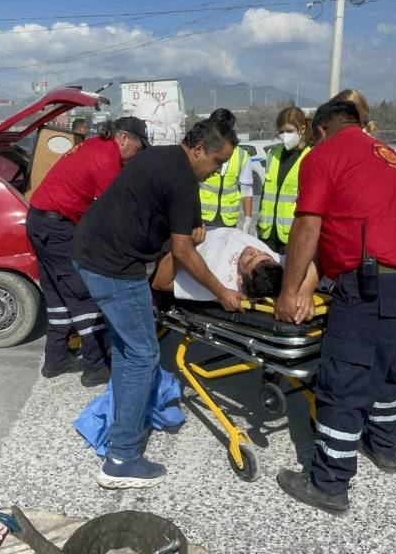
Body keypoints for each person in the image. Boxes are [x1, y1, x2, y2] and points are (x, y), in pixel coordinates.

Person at [273, 96, 396, 515]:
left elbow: (308, 226)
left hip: (371, 284)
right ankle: (385, 448)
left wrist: (289, 292)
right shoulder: (389, 156)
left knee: (342, 378)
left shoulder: (324, 156)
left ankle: (328, 484)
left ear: (321, 129)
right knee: (386, 366)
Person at [73, 116, 246, 490]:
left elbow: (176, 223)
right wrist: (221, 291)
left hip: (89, 253)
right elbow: (183, 248)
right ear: (198, 150)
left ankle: (127, 420)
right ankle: (122, 458)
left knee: (126, 347)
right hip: (114, 268)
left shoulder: (162, 156)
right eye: (216, 162)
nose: (216, 173)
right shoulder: (183, 181)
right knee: (143, 354)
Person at [27, 116, 149, 385]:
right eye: (138, 149)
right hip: (57, 227)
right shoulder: (107, 161)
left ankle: (55, 359)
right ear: (124, 138)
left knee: (58, 296)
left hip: (39, 221)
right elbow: (113, 214)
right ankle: (95, 368)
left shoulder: (94, 144)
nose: (135, 156)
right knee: (84, 296)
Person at [152, 226, 319, 302]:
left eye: (250, 258)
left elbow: (160, 282)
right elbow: (315, 259)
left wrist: (187, 246)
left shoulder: (221, 281)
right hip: (204, 226)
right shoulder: (274, 265)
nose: (253, 249)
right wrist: (305, 292)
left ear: (240, 279)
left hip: (175, 239)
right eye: (261, 253)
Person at [258, 106, 312, 254]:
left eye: (289, 131)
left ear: (302, 129)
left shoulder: (310, 157)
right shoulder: (272, 154)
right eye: (281, 131)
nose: (284, 135)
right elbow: (265, 195)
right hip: (267, 234)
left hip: (292, 237)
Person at [198, 108, 253, 231]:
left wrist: (248, 219)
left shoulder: (242, 155)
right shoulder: (202, 150)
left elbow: (246, 190)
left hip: (229, 221)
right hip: (203, 219)